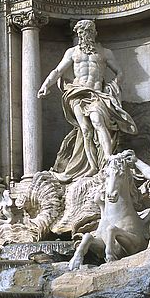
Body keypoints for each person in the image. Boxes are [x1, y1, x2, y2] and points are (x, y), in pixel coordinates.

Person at [37, 20, 137, 181]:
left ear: (94, 33)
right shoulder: (72, 52)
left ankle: (109, 160)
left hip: (97, 94)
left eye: (89, 31)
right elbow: (58, 70)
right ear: (78, 34)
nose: (86, 35)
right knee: (85, 129)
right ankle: (92, 166)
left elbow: (120, 72)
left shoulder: (105, 52)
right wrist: (45, 85)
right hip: (77, 93)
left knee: (97, 121)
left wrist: (113, 87)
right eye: (82, 32)